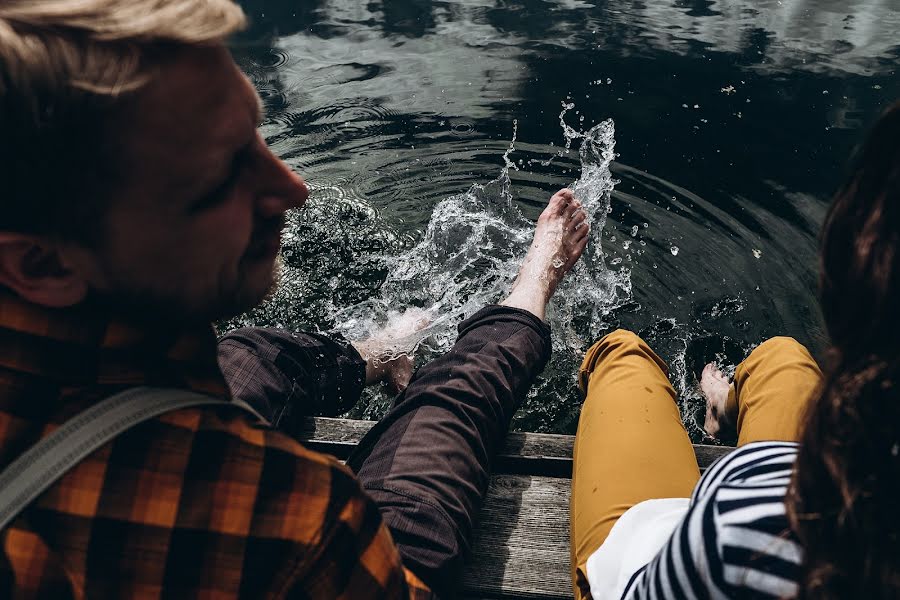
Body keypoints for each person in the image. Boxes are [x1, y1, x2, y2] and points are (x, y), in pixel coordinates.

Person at [0, 1, 590, 597]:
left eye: (254, 136)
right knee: (442, 427)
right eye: (221, 179)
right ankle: (530, 288)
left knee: (252, 355)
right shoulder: (290, 528)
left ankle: (380, 352)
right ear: (42, 262)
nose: (293, 189)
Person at [569, 100, 900, 599]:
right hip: (779, 488)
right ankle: (725, 410)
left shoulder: (754, 540)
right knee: (782, 357)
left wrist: (720, 507)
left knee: (623, 354)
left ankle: (595, 355)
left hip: (698, 553)